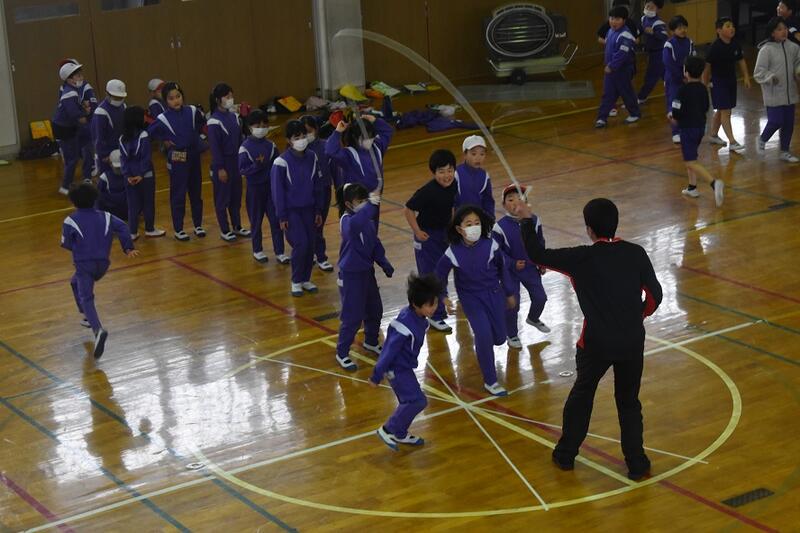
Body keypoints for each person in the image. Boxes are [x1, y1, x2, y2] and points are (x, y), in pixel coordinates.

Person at [514, 197, 662, 481]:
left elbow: (537, 254)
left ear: (589, 229)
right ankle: (637, 463)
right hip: (632, 342)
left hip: (596, 343)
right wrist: (638, 316)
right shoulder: (636, 253)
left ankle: (566, 455)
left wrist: (526, 219)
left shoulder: (581, 258)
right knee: (629, 402)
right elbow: (655, 295)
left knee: (583, 395)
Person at [435, 205, 516, 396]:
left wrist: (509, 293)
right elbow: (439, 275)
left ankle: (491, 345)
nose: (474, 227)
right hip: (471, 299)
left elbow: (503, 270)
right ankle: (491, 381)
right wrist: (443, 297)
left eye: (477, 223)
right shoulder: (452, 252)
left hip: (494, 295)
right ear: (459, 229)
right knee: (483, 335)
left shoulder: (491, 245)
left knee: (499, 337)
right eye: (469, 224)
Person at [61, 182, 139, 359]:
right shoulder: (107, 216)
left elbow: (67, 244)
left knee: (86, 297)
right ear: (94, 198)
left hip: (84, 265)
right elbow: (123, 227)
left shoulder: (70, 220)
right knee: (74, 283)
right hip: (103, 265)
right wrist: (128, 248)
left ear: (73, 201)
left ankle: (98, 331)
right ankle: (86, 316)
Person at [370, 273, 442, 451]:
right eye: (430, 305)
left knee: (408, 401)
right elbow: (388, 352)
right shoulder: (404, 326)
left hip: (405, 367)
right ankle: (388, 429)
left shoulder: (419, 318)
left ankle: (400, 433)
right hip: (397, 370)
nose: (434, 308)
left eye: (435, 303)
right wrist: (377, 375)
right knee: (417, 401)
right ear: (416, 304)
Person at [335, 183, 394, 371]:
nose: (363, 204)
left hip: (367, 272)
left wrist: (384, 263)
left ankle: (371, 341)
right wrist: (370, 206)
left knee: (375, 309)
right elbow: (354, 227)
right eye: (359, 201)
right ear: (348, 204)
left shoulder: (367, 221)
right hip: (351, 275)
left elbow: (374, 243)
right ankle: (342, 352)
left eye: (364, 200)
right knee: (352, 316)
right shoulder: (346, 221)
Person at [403, 149, 458, 333]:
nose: (446, 175)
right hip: (427, 237)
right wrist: (417, 231)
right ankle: (434, 315)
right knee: (429, 275)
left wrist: (452, 227)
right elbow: (408, 209)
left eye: (450, 170)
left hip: (443, 234)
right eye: (441, 171)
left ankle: (438, 307)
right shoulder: (427, 191)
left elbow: (451, 207)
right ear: (434, 172)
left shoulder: (454, 185)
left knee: (442, 271)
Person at [271, 120, 325, 296]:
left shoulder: (312, 157)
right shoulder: (281, 163)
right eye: (297, 137)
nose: (301, 140)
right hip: (292, 212)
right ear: (289, 140)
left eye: (303, 136)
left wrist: (318, 210)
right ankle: (296, 280)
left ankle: (305, 279)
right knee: (301, 244)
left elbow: (317, 185)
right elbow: (278, 192)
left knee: (310, 245)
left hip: (309, 209)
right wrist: (282, 216)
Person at [492, 184, 549, 350]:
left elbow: (540, 242)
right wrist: (511, 263)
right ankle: (512, 334)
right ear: (503, 205)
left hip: (530, 268)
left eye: (520, 199)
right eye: (510, 199)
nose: (516, 202)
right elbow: (496, 251)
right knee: (512, 304)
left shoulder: (535, 220)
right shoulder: (499, 227)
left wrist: (542, 262)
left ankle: (533, 318)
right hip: (509, 272)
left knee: (540, 297)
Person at [147, 82, 206, 240]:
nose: (176, 101)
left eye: (178, 96)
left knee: (196, 192)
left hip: (193, 155)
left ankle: (198, 225)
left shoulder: (192, 110)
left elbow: (202, 124)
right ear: (165, 101)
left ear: (182, 96)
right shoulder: (162, 118)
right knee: (178, 193)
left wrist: (198, 138)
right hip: (177, 156)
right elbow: (150, 133)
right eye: (171, 98)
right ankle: (179, 228)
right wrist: (164, 140)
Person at [672, 56, 725, 206]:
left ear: (686, 72)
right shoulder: (703, 88)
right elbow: (706, 107)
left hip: (687, 129)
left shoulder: (682, 90)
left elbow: (676, 110)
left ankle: (714, 183)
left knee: (690, 162)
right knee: (692, 157)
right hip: (700, 128)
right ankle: (692, 187)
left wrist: (673, 118)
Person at [325, 114, 394, 225]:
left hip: (374, 199)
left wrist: (375, 120)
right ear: (355, 137)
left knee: (372, 230)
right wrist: (337, 132)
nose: (369, 140)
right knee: (357, 230)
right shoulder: (349, 154)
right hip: (356, 203)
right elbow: (330, 151)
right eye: (364, 137)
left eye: (371, 136)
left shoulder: (377, 147)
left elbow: (387, 131)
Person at [754, 17, 800, 163]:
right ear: (772, 32)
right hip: (774, 94)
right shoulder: (766, 50)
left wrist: (798, 72)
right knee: (776, 121)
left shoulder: (794, 48)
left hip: (790, 93)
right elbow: (759, 72)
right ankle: (762, 139)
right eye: (779, 29)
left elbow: (798, 63)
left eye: (785, 28)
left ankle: (784, 151)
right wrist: (770, 77)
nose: (784, 31)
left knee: (788, 123)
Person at [238, 109, 282, 263]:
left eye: (264, 125)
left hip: (270, 189)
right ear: (250, 127)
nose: (261, 128)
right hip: (254, 190)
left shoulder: (271, 145)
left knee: (275, 220)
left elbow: (278, 164)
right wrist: (256, 166)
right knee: (256, 221)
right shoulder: (245, 147)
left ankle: (279, 251)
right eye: (258, 125)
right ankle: (257, 250)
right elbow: (242, 169)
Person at [207, 82, 248, 241]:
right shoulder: (214, 122)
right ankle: (225, 229)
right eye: (227, 96)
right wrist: (220, 168)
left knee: (236, 197)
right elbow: (215, 148)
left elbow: (240, 141)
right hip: (223, 163)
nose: (230, 99)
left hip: (236, 162)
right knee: (222, 199)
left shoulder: (234, 117)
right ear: (218, 99)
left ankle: (237, 226)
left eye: (231, 96)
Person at [704, 17, 750, 151]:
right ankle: (732, 141)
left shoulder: (735, 44)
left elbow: (741, 60)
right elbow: (707, 67)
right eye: (728, 26)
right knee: (726, 111)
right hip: (718, 82)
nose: (732, 28)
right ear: (719, 30)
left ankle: (713, 135)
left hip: (731, 81)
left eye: (732, 26)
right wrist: (704, 84)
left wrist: (746, 77)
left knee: (722, 110)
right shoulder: (714, 47)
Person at [119, 106, 165, 239]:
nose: (146, 117)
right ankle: (149, 229)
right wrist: (141, 174)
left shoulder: (122, 138)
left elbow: (123, 159)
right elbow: (146, 157)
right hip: (145, 175)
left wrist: (127, 175)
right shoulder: (143, 135)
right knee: (148, 202)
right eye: (143, 115)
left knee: (132, 204)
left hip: (129, 176)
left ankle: (132, 232)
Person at [595, 6, 641, 128]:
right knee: (608, 93)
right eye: (611, 18)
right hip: (612, 70)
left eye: (617, 19)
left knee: (626, 92)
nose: (613, 21)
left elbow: (622, 54)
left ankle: (635, 113)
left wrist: (611, 66)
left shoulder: (625, 35)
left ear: (624, 20)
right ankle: (602, 118)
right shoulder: (610, 31)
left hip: (622, 70)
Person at [301, 114, 335, 272]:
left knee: (318, 224)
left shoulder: (326, 146)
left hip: (323, 191)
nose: (306, 135)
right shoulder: (298, 149)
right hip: (305, 193)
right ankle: (314, 254)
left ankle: (320, 255)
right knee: (308, 226)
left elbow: (334, 169)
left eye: (309, 131)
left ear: (316, 130)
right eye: (303, 132)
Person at [52, 61, 91, 195]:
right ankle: (65, 187)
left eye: (81, 75)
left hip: (67, 127)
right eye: (78, 76)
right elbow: (75, 115)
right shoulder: (70, 93)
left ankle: (68, 183)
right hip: (63, 129)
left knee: (73, 156)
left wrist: (83, 108)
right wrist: (87, 114)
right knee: (72, 159)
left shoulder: (72, 90)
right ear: (69, 79)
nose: (81, 78)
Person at [664, 15, 695, 143]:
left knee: (686, 105)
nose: (683, 30)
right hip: (673, 81)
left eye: (684, 27)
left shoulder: (689, 42)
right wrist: (680, 77)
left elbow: (692, 60)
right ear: (672, 31)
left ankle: (685, 129)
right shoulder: (669, 45)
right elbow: (669, 64)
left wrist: (690, 76)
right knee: (675, 105)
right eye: (679, 28)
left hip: (686, 80)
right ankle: (675, 132)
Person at [91, 79, 127, 179]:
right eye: (116, 97)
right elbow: (98, 138)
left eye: (121, 97)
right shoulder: (101, 112)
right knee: (108, 181)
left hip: (121, 151)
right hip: (107, 157)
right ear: (107, 94)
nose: (119, 100)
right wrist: (104, 155)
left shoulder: (123, 106)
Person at [454, 135, 495, 217]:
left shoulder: (484, 176)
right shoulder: (456, 174)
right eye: (473, 154)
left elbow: (488, 200)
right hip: (460, 218)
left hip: (477, 219)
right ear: (465, 154)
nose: (478, 158)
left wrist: (490, 217)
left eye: (482, 154)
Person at [637, 1, 668, 103]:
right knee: (665, 75)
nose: (648, 9)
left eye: (652, 7)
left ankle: (641, 97)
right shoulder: (643, 18)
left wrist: (653, 32)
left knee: (651, 76)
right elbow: (640, 30)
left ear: (658, 9)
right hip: (651, 52)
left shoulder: (658, 23)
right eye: (647, 6)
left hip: (659, 52)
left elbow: (664, 36)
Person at [96, 149, 129, 221]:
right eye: (117, 168)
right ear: (110, 164)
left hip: (128, 213)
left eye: (120, 167)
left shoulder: (131, 175)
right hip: (112, 216)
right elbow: (99, 198)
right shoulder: (104, 177)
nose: (119, 169)